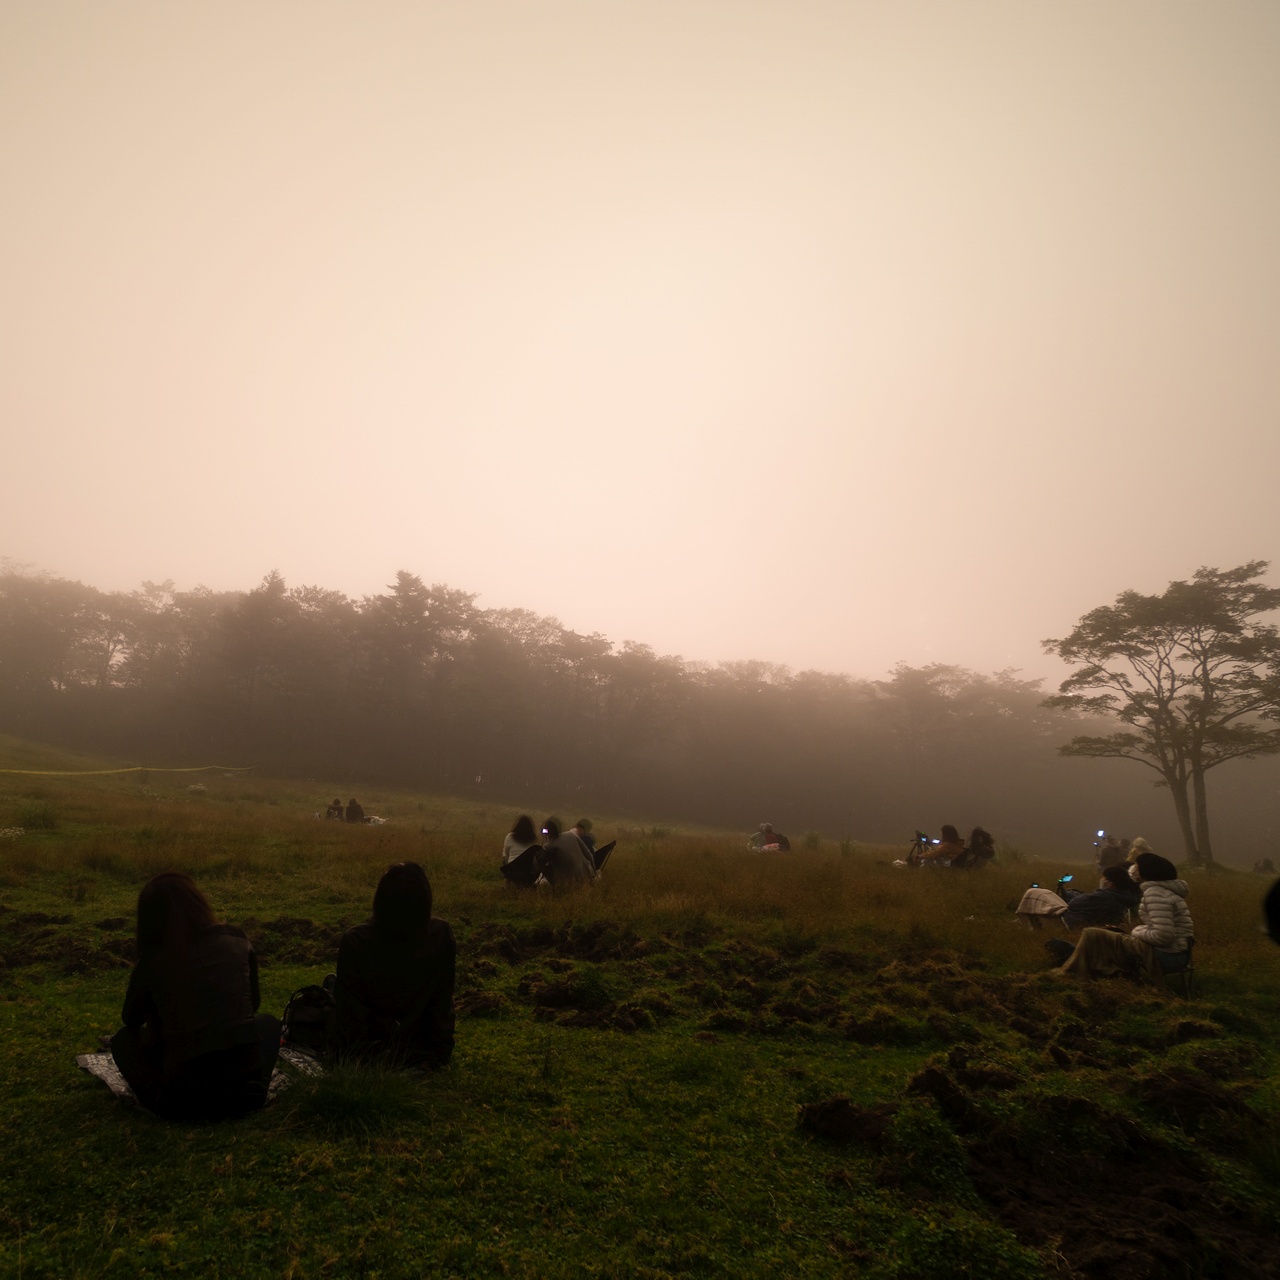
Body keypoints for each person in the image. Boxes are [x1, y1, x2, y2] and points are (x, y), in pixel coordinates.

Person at [109, 872, 280, 1120]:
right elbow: (252, 1005)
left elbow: (131, 1019)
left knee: (122, 1040)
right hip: (246, 1091)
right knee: (269, 1023)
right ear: (197, 902)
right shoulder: (237, 938)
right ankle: (254, 1083)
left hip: (181, 1102)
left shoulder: (153, 958)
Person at [332, 862, 455, 1067]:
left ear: (379, 900)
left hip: (366, 1055)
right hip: (425, 1052)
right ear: (426, 901)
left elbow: (350, 1016)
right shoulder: (441, 935)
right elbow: (442, 1003)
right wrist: (438, 1053)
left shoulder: (356, 941)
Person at [1047, 853, 1193, 988]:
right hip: (1177, 954)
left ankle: (1070, 973)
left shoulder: (1156, 894)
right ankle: (1081, 972)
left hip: (1166, 955)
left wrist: (1136, 931)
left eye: (1138, 866)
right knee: (1104, 933)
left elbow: (1164, 936)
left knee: (1091, 934)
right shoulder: (1162, 892)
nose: (1134, 869)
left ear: (1147, 872)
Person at [1015, 864, 1139, 930]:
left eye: (1104, 878)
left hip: (1072, 921)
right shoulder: (1125, 897)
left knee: (1034, 892)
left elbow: (1073, 904)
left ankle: (1026, 922)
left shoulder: (1104, 896)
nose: (1102, 880)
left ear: (1110, 882)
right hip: (1088, 920)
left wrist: (1100, 890)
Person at [539, 818, 595, 891]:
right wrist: (593, 871)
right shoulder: (571, 834)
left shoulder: (548, 846)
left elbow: (545, 866)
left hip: (567, 883)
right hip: (585, 876)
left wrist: (545, 840)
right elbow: (587, 853)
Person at [501, 815, 543, 888]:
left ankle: (506, 886)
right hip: (528, 868)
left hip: (513, 867)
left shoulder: (510, 837)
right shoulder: (533, 839)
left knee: (505, 862)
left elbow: (506, 854)